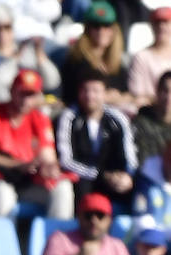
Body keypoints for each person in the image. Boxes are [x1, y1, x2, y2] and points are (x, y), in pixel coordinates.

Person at [0, 69, 72, 219]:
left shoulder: (40, 118)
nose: (26, 100)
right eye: (22, 93)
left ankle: (57, 240)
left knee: (63, 188)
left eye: (31, 95)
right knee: (4, 196)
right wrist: (18, 165)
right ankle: (2, 241)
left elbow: (47, 156)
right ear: (12, 91)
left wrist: (48, 167)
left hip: (29, 180)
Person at [56, 72, 138, 207]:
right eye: (85, 90)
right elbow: (65, 160)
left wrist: (127, 175)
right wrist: (100, 175)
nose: (90, 96)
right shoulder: (69, 117)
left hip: (113, 178)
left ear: (105, 94)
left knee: (131, 186)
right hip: (83, 178)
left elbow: (130, 156)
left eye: (95, 91)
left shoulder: (118, 119)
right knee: (82, 186)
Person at [0, 4, 60, 105]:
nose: (1, 34)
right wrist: (14, 59)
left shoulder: (26, 51)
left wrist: (40, 56)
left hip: (31, 107)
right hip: (0, 109)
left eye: (6, 27)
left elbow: (52, 83)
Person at [132, 72, 171, 166]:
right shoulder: (139, 124)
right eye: (165, 90)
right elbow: (141, 164)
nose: (169, 97)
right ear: (157, 91)